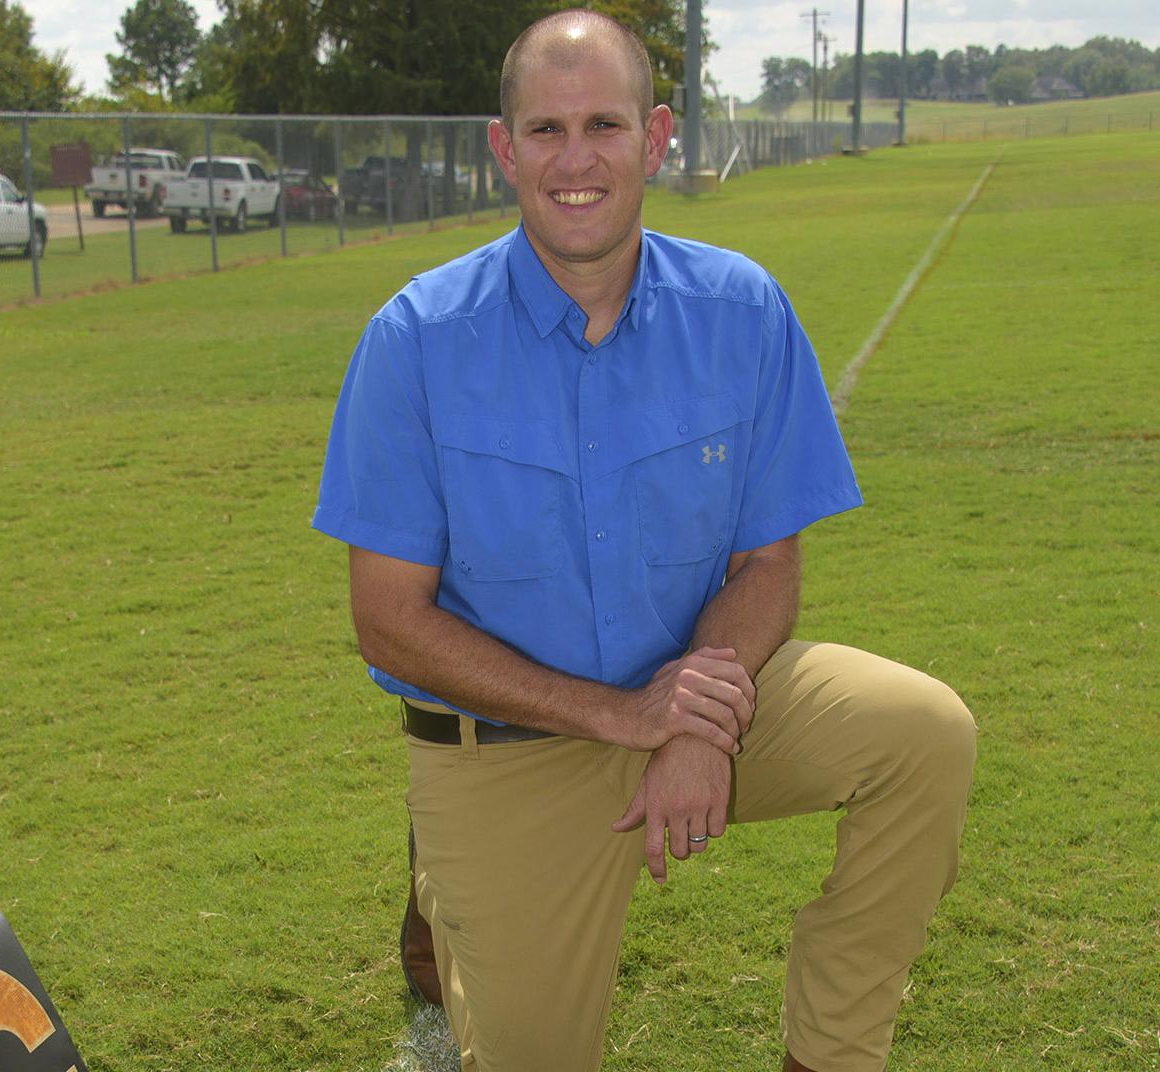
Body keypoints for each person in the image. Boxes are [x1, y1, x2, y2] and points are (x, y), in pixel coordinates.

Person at [310, 10, 976, 1071]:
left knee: (925, 734)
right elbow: (386, 624)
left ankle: (831, 1055)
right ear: (504, 147)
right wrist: (624, 716)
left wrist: (696, 722)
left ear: (657, 136)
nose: (576, 160)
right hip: (513, 747)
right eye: (545, 130)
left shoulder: (742, 310)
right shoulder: (415, 341)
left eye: (606, 125)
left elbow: (769, 564)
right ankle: (446, 878)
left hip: (698, 700)